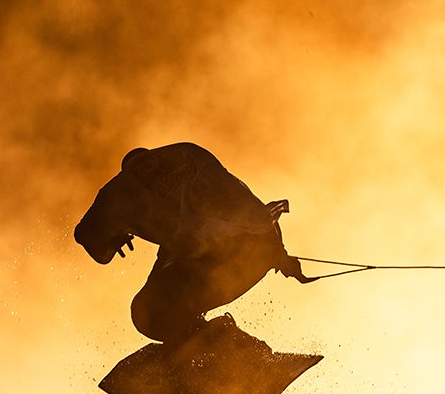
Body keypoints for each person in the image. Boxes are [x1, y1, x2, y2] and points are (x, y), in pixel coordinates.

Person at [74, 143, 311, 343]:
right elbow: (249, 209)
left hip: (223, 259)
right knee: (176, 270)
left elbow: (84, 235)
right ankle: (221, 347)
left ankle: (218, 351)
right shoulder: (188, 152)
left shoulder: (122, 188)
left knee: (147, 312)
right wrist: (281, 255)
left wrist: (114, 238)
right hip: (260, 250)